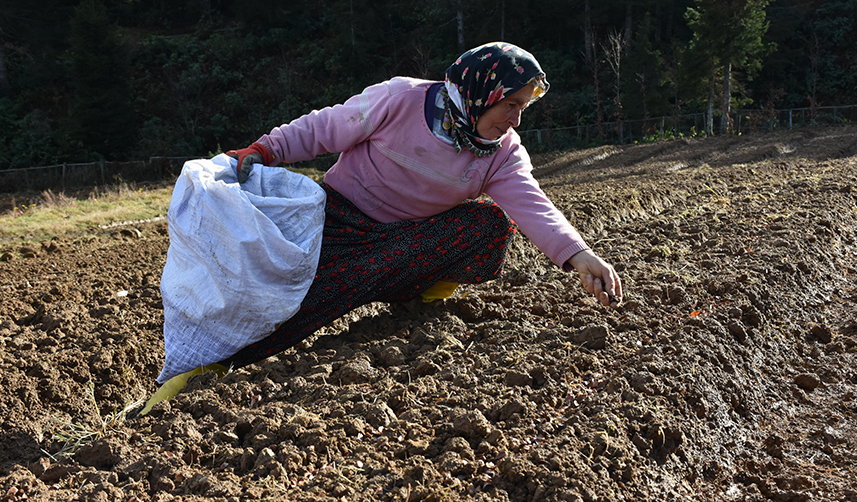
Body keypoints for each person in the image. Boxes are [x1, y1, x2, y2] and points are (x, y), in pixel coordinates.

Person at [221, 41, 622, 371]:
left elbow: (534, 206)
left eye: (522, 108)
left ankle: (421, 301)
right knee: (298, 296)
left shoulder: (501, 154)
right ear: (482, 92)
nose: (515, 120)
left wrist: (580, 255)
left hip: (405, 243)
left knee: (490, 225)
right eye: (510, 104)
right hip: (338, 220)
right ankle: (225, 358)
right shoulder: (401, 100)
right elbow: (325, 127)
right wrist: (266, 149)